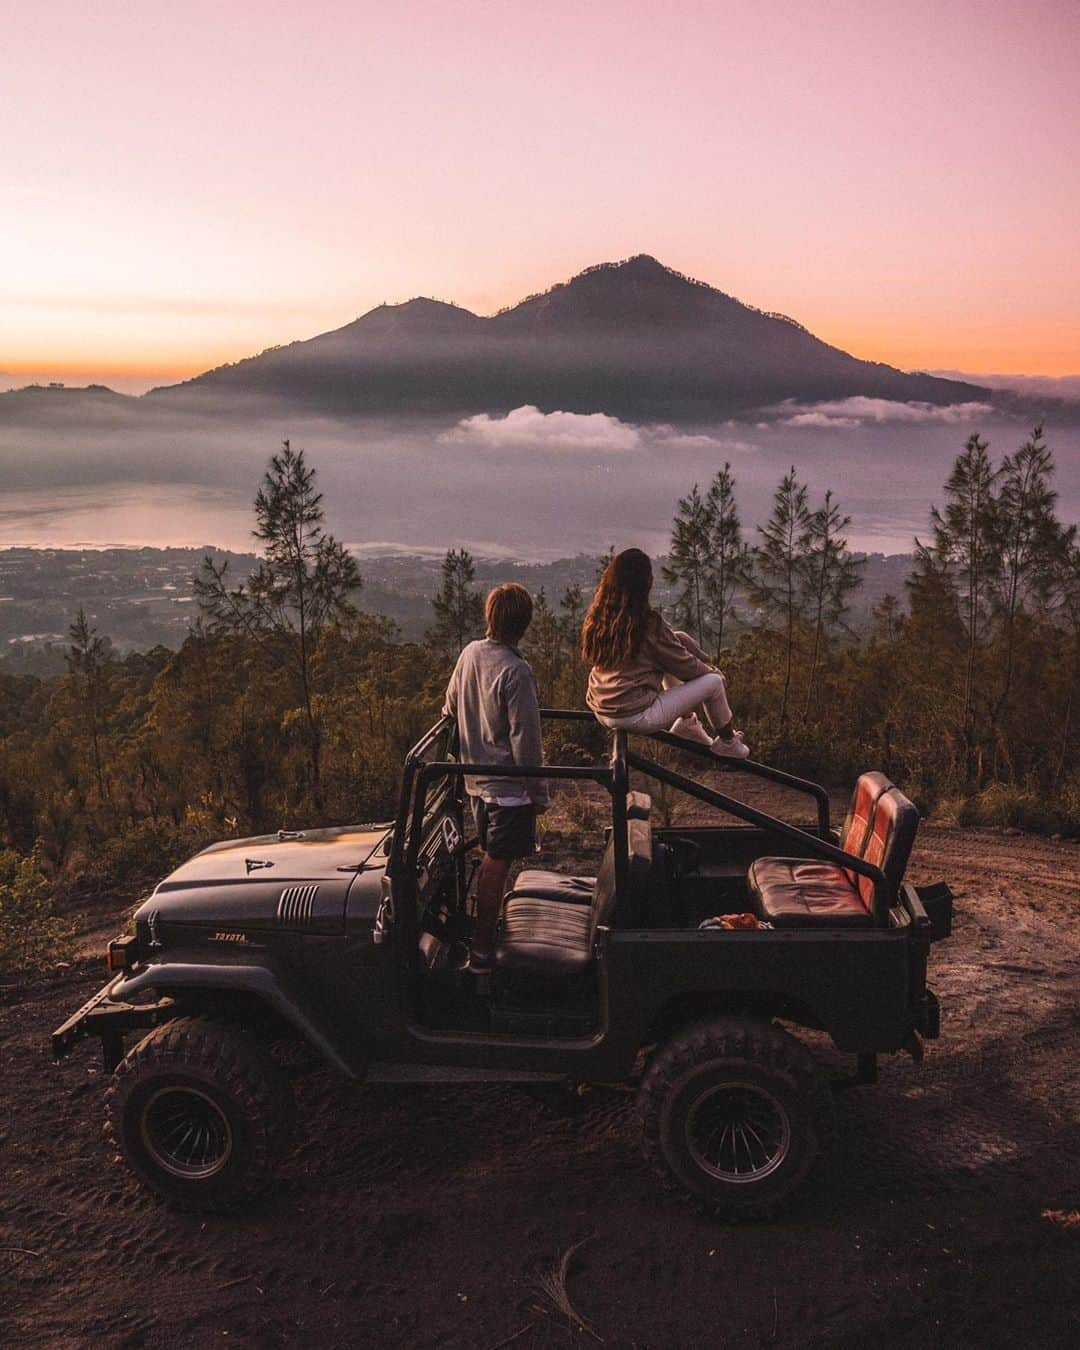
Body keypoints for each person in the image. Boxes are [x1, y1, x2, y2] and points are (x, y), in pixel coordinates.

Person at [442, 582, 549, 973]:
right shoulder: (517, 671)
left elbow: (449, 708)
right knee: (496, 862)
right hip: (507, 790)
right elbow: (526, 738)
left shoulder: (470, 653)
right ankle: (483, 952)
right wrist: (538, 793)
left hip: (476, 783)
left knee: (492, 857)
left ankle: (484, 939)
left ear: (490, 617)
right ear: (524, 624)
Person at [582, 548, 750, 758]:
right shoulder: (647, 624)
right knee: (713, 683)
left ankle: (687, 723)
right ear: (646, 584)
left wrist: (685, 643)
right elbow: (687, 667)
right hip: (633, 714)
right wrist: (714, 671)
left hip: (601, 708)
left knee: (674, 643)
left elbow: (668, 644)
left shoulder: (603, 618)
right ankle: (728, 743)